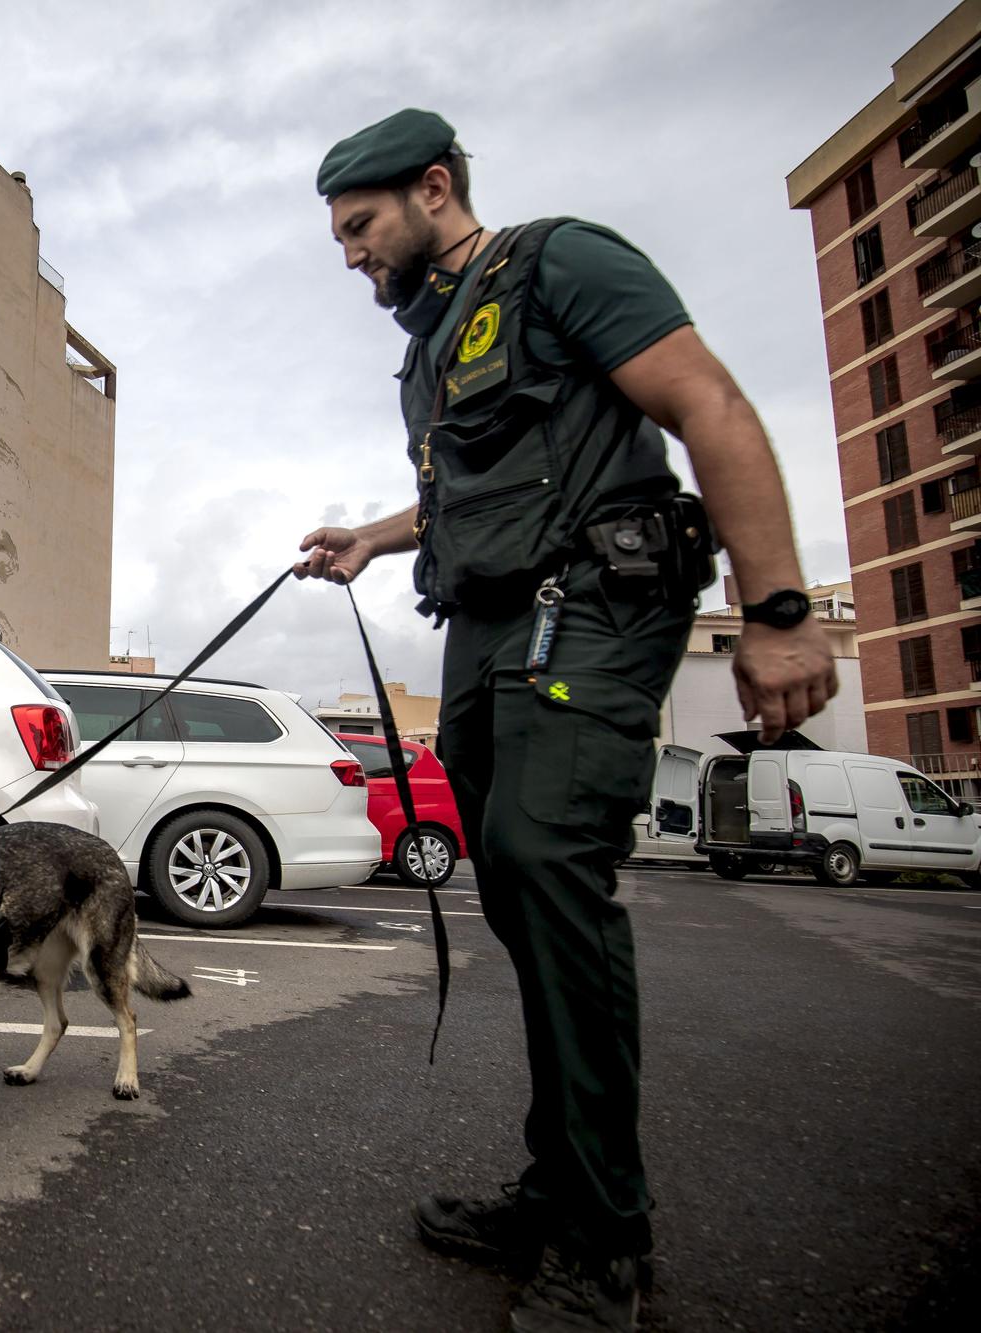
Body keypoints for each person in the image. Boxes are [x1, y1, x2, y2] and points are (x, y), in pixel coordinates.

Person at [294, 109, 837, 1332]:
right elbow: (481, 489)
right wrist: (375, 535)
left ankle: (603, 1237)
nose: (348, 255)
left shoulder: (560, 263)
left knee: (548, 864)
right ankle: (557, 1186)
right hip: (485, 630)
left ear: (433, 188)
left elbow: (708, 405)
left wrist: (782, 609)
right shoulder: (431, 348)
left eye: (359, 226)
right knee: (524, 909)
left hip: (588, 608)